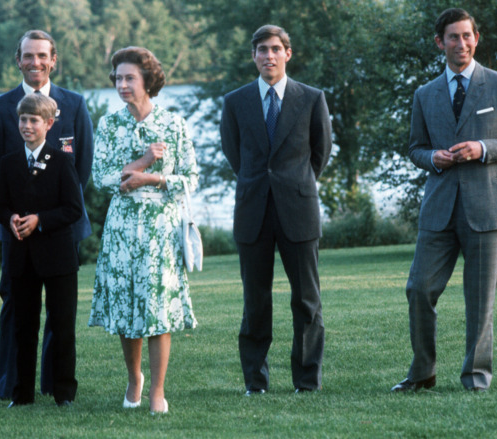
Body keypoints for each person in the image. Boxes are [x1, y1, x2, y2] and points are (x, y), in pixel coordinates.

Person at [391, 8, 497, 392]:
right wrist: (432, 158)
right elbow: (415, 148)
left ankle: (476, 377)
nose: (462, 43)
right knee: (418, 288)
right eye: (453, 37)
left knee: (480, 300)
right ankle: (423, 373)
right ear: (440, 43)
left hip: (488, 209)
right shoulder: (425, 94)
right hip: (439, 209)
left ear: (476, 38)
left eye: (467, 36)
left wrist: (483, 148)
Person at [0, 29, 93, 400]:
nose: (35, 62)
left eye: (42, 56)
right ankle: (12, 386)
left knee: (61, 319)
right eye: (28, 56)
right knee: (18, 314)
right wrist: (15, 216)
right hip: (17, 234)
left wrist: (45, 217)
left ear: (53, 60)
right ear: (18, 60)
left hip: (60, 232)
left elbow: (82, 170)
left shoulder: (74, 104)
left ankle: (55, 386)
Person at [220, 25, 332, 395]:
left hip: (298, 212)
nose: (268, 56)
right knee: (255, 301)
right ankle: (256, 381)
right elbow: (235, 154)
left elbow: (320, 153)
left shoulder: (312, 98)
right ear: (253, 56)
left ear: (287, 53)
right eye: (262, 50)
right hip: (253, 212)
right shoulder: (235, 102)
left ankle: (306, 381)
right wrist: (262, 184)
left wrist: (294, 184)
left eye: (275, 49)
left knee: (306, 300)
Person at [88, 46, 198, 414]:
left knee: (158, 309)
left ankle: (157, 391)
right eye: (117, 78)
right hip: (121, 230)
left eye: (129, 78)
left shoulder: (174, 124)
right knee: (126, 307)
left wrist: (154, 178)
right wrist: (144, 162)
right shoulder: (108, 124)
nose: (121, 85)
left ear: (148, 80)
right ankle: (134, 378)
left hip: (160, 230)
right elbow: (100, 178)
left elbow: (192, 179)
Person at [0, 93, 83, 407]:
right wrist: (11, 218)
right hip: (22, 258)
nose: (27, 126)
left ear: (49, 124)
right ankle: (22, 395)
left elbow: (73, 209)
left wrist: (40, 220)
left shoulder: (62, 161)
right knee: (23, 327)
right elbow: (1, 206)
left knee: (62, 327)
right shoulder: (8, 162)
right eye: (23, 119)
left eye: (34, 120)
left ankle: (64, 393)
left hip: (58, 258)